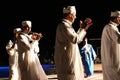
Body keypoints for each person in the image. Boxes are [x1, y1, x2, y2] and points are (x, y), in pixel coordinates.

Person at [54, 6, 93, 80]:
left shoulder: (67, 25)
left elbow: (75, 38)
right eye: (74, 14)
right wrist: (83, 29)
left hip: (68, 59)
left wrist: (82, 29)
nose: (75, 17)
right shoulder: (64, 26)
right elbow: (75, 39)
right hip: (67, 61)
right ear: (70, 15)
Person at [101, 10, 120, 80]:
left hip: (113, 61)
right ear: (117, 18)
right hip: (112, 62)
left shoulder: (112, 27)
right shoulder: (110, 27)